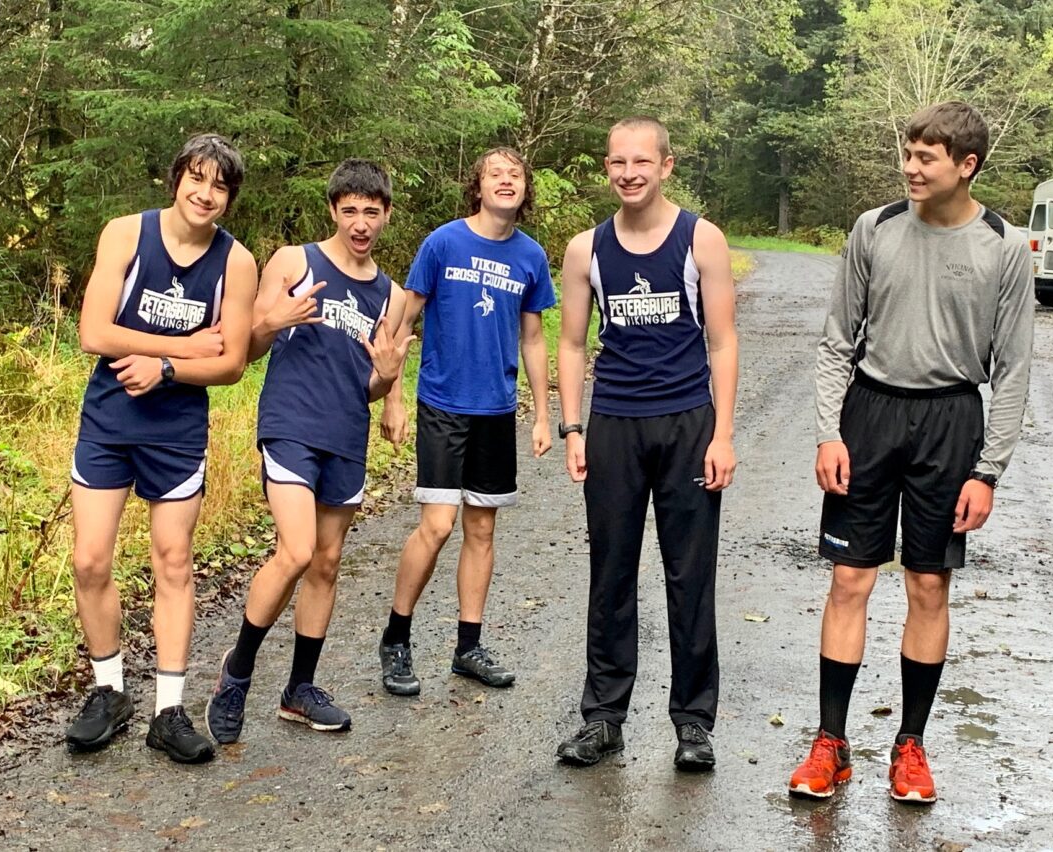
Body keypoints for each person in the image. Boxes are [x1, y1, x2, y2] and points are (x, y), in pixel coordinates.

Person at [791, 101, 1033, 804]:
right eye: (908, 153)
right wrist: (829, 432)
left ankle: (911, 746)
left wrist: (988, 471)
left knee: (929, 585)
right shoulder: (874, 228)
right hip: (870, 414)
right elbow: (837, 341)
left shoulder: (1004, 247)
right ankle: (831, 743)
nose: (910, 167)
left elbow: (1014, 370)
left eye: (926, 157)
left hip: (951, 422)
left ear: (967, 165)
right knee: (849, 579)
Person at [553, 117, 738, 772]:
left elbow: (723, 342)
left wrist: (722, 434)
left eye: (640, 162)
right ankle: (603, 718)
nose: (628, 174)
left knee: (690, 575)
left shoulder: (701, 239)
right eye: (617, 163)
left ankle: (693, 723)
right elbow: (571, 343)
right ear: (607, 168)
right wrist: (573, 427)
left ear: (666, 165)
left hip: (688, 423)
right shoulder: (586, 249)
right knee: (611, 574)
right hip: (615, 425)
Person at [65, 133, 257, 763]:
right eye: (196, 179)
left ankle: (168, 711)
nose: (205, 194)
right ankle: (109, 692)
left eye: (219, 186)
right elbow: (93, 331)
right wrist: (182, 347)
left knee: (173, 562)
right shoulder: (126, 234)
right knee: (90, 559)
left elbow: (231, 363)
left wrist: (168, 369)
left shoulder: (236, 262)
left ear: (229, 198)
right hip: (110, 418)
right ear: (176, 179)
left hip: (176, 431)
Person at [203, 160, 409, 743]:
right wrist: (274, 318)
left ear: (386, 215)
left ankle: (299, 689)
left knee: (326, 561)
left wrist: (387, 379)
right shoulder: (295, 261)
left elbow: (372, 385)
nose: (360, 223)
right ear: (333, 211)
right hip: (291, 422)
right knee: (295, 550)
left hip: (346, 431)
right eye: (350, 211)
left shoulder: (390, 295)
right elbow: (247, 347)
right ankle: (237, 673)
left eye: (372, 212)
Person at [374, 147, 555, 697]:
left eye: (515, 174)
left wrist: (543, 413)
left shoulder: (530, 256)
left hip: (496, 409)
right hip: (443, 404)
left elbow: (533, 338)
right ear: (478, 188)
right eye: (495, 174)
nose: (506, 180)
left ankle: (467, 647)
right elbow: (401, 324)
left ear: (524, 189)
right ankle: (396, 638)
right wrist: (392, 399)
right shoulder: (443, 243)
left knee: (482, 529)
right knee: (437, 525)